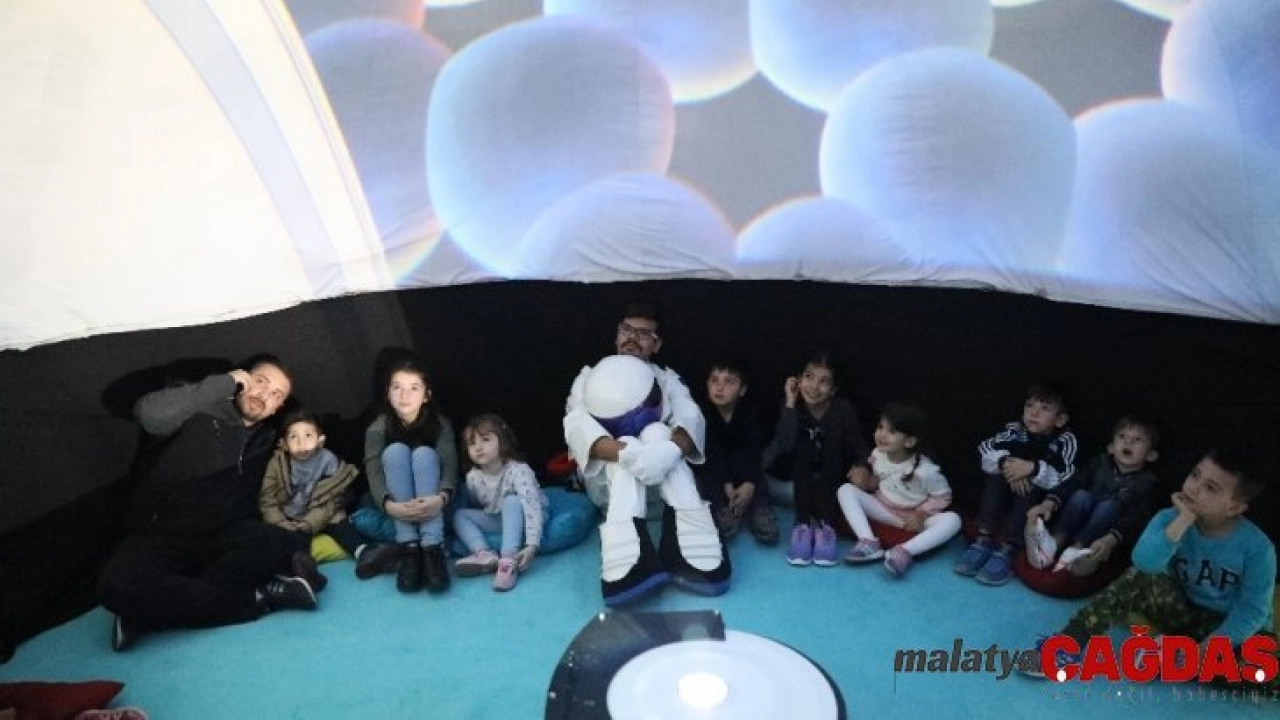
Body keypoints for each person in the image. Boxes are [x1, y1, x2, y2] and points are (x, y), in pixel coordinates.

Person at [97, 355, 325, 652]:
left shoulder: (266, 440)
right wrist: (223, 384)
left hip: (220, 537)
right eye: (260, 382)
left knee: (278, 541)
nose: (264, 395)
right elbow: (149, 414)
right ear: (242, 378)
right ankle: (258, 598)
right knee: (115, 586)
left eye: (276, 395)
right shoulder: (197, 411)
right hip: (161, 535)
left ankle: (148, 616)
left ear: (277, 407)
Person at [1024, 448, 1276, 683]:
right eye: (1194, 475)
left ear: (1234, 507)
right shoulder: (1168, 518)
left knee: (1266, 674)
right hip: (1182, 609)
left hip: (1226, 626)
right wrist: (1181, 522)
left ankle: (1173, 657)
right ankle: (1068, 643)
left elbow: (1251, 611)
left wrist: (1204, 653)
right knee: (1138, 578)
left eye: (1210, 488)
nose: (1194, 487)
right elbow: (1145, 563)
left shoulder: (1258, 548)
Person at [564, 301, 729, 606]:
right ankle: (626, 563)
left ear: (656, 344)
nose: (631, 338)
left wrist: (667, 451)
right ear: (616, 335)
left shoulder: (666, 378)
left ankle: (692, 552)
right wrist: (629, 453)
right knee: (630, 439)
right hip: (610, 490)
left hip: (663, 491)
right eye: (626, 330)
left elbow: (691, 417)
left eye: (643, 334)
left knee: (657, 433)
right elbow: (576, 427)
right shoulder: (590, 376)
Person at [954, 382, 1078, 586]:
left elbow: (1064, 476)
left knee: (1033, 482)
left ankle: (1009, 548)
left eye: (1044, 408)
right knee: (996, 474)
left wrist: (1032, 469)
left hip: (1038, 503)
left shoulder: (1065, 440)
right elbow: (986, 449)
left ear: (1060, 419)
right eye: (1029, 406)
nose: (1034, 413)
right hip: (1006, 495)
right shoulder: (1015, 430)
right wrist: (1008, 466)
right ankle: (983, 538)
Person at [762, 350, 872, 567]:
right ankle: (801, 527)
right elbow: (785, 443)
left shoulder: (843, 410)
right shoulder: (791, 405)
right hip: (795, 487)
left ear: (833, 390)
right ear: (798, 380)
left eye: (823, 381)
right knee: (804, 445)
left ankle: (825, 528)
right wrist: (790, 402)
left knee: (830, 447)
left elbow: (860, 447)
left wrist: (863, 467)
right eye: (809, 377)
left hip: (830, 488)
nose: (813, 386)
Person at [362, 354, 458, 594]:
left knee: (424, 454)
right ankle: (409, 547)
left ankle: (432, 547)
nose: (404, 395)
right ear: (388, 393)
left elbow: (450, 468)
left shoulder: (440, 424)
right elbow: (374, 474)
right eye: (397, 388)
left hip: (434, 503)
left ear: (426, 395)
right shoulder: (377, 429)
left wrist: (440, 499)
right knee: (394, 452)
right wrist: (390, 506)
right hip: (398, 507)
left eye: (414, 388)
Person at [1024, 415, 1161, 576]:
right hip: (1075, 519)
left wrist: (1112, 538)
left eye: (1137, 439)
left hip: (1102, 536)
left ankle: (1079, 551)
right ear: (1111, 447)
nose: (1127, 442)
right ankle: (1054, 542)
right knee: (1081, 495)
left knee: (1109, 506)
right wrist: (1049, 502)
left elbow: (1136, 517)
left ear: (1151, 455)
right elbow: (1073, 483)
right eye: (1122, 436)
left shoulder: (1147, 483)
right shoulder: (1099, 463)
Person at [837, 402, 961, 577]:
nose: (881, 434)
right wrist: (864, 481)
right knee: (845, 490)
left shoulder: (926, 471)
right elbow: (878, 481)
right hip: (884, 509)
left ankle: (905, 551)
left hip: (912, 518)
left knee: (953, 520)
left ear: (909, 441)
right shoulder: (877, 454)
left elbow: (944, 497)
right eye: (880, 427)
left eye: (892, 431)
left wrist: (921, 515)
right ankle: (869, 542)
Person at [452, 413, 549, 592]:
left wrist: (532, 544)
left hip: (528, 515)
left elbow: (532, 506)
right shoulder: (473, 477)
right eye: (472, 443)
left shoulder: (518, 470)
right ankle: (483, 553)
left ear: (502, 441)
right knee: (459, 515)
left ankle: (508, 560)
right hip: (500, 517)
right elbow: (480, 505)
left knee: (511, 500)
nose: (478, 447)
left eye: (485, 440)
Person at [259, 408, 367, 562]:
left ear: (320, 441)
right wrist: (280, 521)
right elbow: (267, 499)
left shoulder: (329, 462)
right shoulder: (277, 464)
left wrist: (308, 524)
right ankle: (303, 563)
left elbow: (332, 500)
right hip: (287, 517)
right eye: (294, 437)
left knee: (338, 516)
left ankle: (363, 552)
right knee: (274, 538)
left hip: (318, 514)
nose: (301, 443)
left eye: (308, 435)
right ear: (284, 444)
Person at [695, 357, 778, 545]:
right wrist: (727, 484)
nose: (719, 387)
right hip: (717, 470)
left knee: (752, 467)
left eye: (729, 382)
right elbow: (713, 452)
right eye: (714, 380)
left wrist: (749, 483)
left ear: (742, 390)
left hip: (745, 469)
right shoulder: (703, 413)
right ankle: (723, 510)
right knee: (706, 472)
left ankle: (761, 509)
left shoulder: (750, 412)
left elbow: (754, 450)